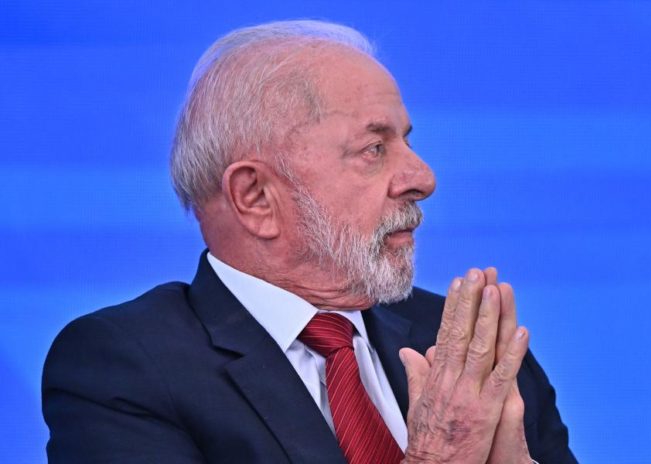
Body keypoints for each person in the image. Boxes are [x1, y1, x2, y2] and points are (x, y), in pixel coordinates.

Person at [42, 20, 577, 463]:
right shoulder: (123, 367)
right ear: (255, 197)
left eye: (406, 142)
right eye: (374, 149)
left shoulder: (463, 349)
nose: (423, 177)